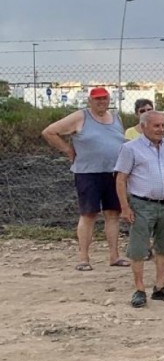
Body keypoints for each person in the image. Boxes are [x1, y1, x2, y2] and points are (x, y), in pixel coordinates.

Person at [41, 85, 127, 270]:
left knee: (113, 214)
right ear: (90, 101)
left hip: (113, 172)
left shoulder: (116, 118)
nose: (102, 102)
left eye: (104, 98)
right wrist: (67, 149)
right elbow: (49, 131)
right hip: (88, 173)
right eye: (97, 99)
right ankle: (83, 258)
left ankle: (114, 256)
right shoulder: (81, 117)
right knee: (88, 214)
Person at [114, 109, 164, 307]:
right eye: (156, 125)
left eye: (163, 125)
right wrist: (125, 207)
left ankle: (160, 287)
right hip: (142, 205)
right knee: (138, 249)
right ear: (144, 126)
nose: (161, 129)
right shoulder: (130, 148)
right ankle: (139, 289)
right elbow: (121, 178)